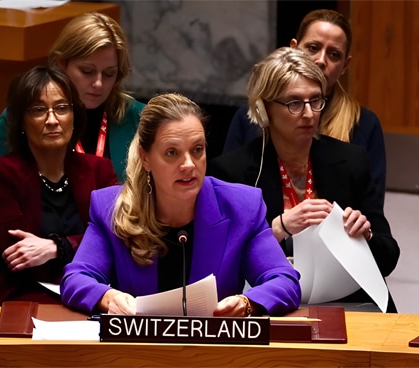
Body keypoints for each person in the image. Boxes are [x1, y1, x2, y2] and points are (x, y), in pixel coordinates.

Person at [60, 93, 300, 317]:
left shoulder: (241, 207)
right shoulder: (111, 208)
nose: (189, 164)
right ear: (146, 158)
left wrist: (247, 303)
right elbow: (76, 279)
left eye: (197, 150)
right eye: (172, 153)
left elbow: (284, 280)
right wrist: (108, 296)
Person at [209, 47, 399, 312]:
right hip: (269, 302)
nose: (309, 114)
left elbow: (389, 256)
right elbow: (219, 267)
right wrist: (278, 227)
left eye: (316, 101)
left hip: (349, 302)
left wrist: (366, 236)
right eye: (294, 103)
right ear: (264, 109)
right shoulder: (231, 172)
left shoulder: (351, 160)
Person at [0, 66, 119, 306]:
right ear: (21, 121)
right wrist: (82, 246)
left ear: (74, 115)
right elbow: (15, 252)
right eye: (38, 110)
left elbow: (116, 235)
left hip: (86, 289)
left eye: (62, 108)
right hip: (16, 293)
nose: (52, 120)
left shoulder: (100, 170)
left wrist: (56, 247)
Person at [0, 12, 144, 221]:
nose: (98, 83)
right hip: (39, 241)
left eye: (108, 74)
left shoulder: (139, 118)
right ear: (61, 64)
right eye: (87, 71)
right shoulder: (28, 113)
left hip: (116, 239)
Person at [223, 9, 387, 205]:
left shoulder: (364, 124)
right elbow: (227, 196)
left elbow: (372, 209)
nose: (321, 60)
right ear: (293, 48)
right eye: (313, 47)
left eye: (334, 55)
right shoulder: (252, 116)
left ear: (345, 65)